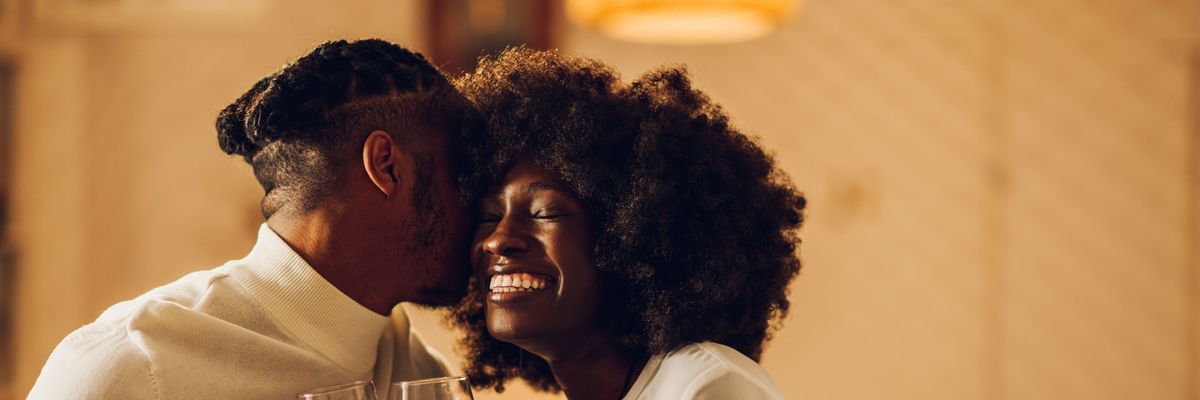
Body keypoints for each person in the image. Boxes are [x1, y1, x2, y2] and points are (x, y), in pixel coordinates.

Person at [28, 39, 481, 399]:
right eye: (464, 174)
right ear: (386, 167)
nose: (486, 212)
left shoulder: (414, 369)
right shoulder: (131, 372)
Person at [449, 48, 807, 400]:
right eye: (489, 217)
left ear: (631, 237)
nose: (499, 239)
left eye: (545, 212)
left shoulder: (704, 386)